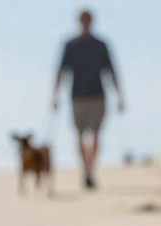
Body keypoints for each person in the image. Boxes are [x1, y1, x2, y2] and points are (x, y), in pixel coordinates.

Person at [52, 9, 124, 190]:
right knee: (79, 136)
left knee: (96, 135)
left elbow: (111, 71)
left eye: (88, 20)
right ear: (79, 21)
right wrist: (55, 95)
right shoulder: (70, 45)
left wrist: (120, 96)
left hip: (98, 96)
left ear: (92, 21)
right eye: (83, 20)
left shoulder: (101, 45)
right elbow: (61, 71)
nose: (85, 23)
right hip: (77, 96)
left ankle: (90, 170)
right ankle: (86, 170)